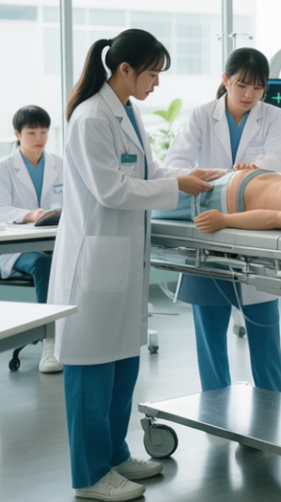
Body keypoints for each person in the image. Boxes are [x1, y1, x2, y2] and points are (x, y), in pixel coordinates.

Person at [48, 29, 215, 501]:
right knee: (90, 373)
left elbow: (144, 171)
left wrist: (184, 177)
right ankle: (89, 476)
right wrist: (174, 188)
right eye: (153, 74)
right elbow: (112, 189)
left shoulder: (126, 110)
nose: (156, 84)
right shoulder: (89, 118)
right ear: (125, 70)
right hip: (93, 263)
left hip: (121, 259)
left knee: (122, 364)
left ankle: (116, 455)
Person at [162, 48, 281, 395]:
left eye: (258, 88)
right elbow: (175, 163)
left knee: (265, 330)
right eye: (242, 85)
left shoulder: (272, 115)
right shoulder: (203, 116)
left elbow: (278, 158)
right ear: (225, 81)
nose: (249, 95)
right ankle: (216, 407)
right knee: (210, 336)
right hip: (209, 227)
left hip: (251, 225)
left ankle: (274, 405)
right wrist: (201, 174)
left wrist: (251, 169)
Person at [0, 105, 65, 372]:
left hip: (56, 242)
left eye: (44, 130)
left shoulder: (59, 164)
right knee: (43, 264)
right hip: (20, 249)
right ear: (17, 133)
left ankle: (78, 335)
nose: (39, 136)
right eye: (32, 131)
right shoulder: (3, 168)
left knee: (74, 260)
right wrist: (30, 215)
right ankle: (50, 341)